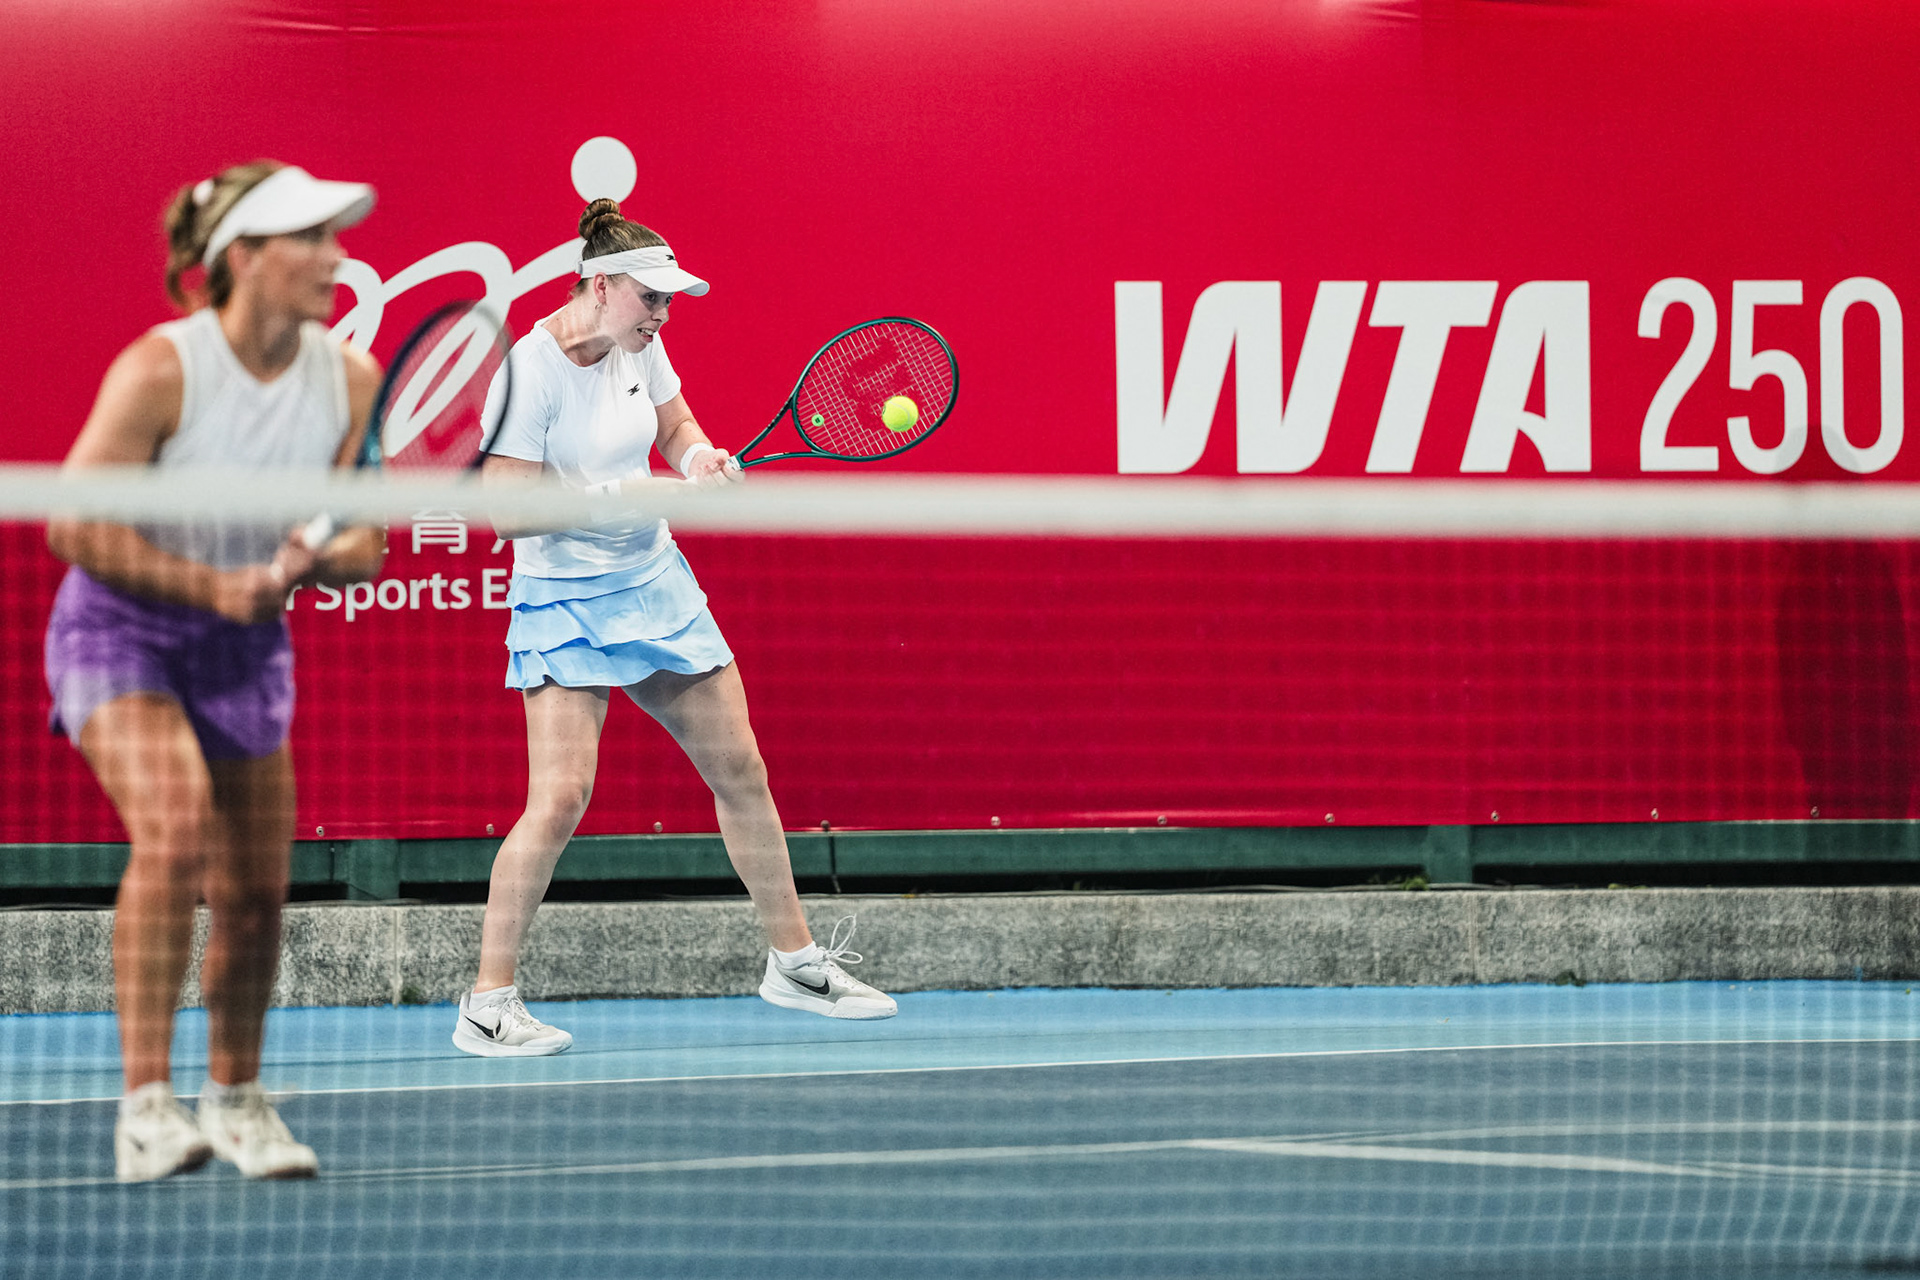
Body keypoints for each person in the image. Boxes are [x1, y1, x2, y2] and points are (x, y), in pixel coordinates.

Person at [456, 198, 895, 1057]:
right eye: (649, 299)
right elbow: (504, 511)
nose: (663, 316)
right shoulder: (530, 371)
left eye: (669, 303)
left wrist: (696, 459)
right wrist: (625, 498)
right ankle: (488, 1004)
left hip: (653, 585)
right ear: (600, 284)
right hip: (566, 599)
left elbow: (677, 426)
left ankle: (795, 965)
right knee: (560, 799)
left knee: (741, 769)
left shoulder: (641, 348)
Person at [44, 162, 385, 1180]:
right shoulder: (163, 369)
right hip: (123, 631)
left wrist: (319, 555)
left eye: (337, 235)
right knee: (176, 825)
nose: (336, 257)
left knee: (255, 894)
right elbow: (71, 522)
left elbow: (364, 539)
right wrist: (213, 585)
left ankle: (236, 1099)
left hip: (243, 648)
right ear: (243, 257)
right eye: (310, 239)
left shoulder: (350, 379)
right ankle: (147, 1104)